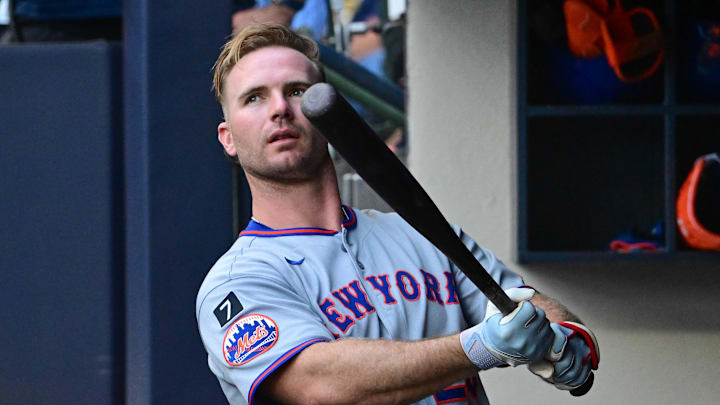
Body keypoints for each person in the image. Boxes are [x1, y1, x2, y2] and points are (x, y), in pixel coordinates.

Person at [196, 23, 600, 405]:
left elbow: (520, 302)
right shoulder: (238, 282)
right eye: (254, 98)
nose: (280, 108)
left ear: (330, 112)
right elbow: (317, 386)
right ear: (227, 139)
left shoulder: (420, 232)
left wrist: (566, 338)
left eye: (298, 90)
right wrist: (478, 347)